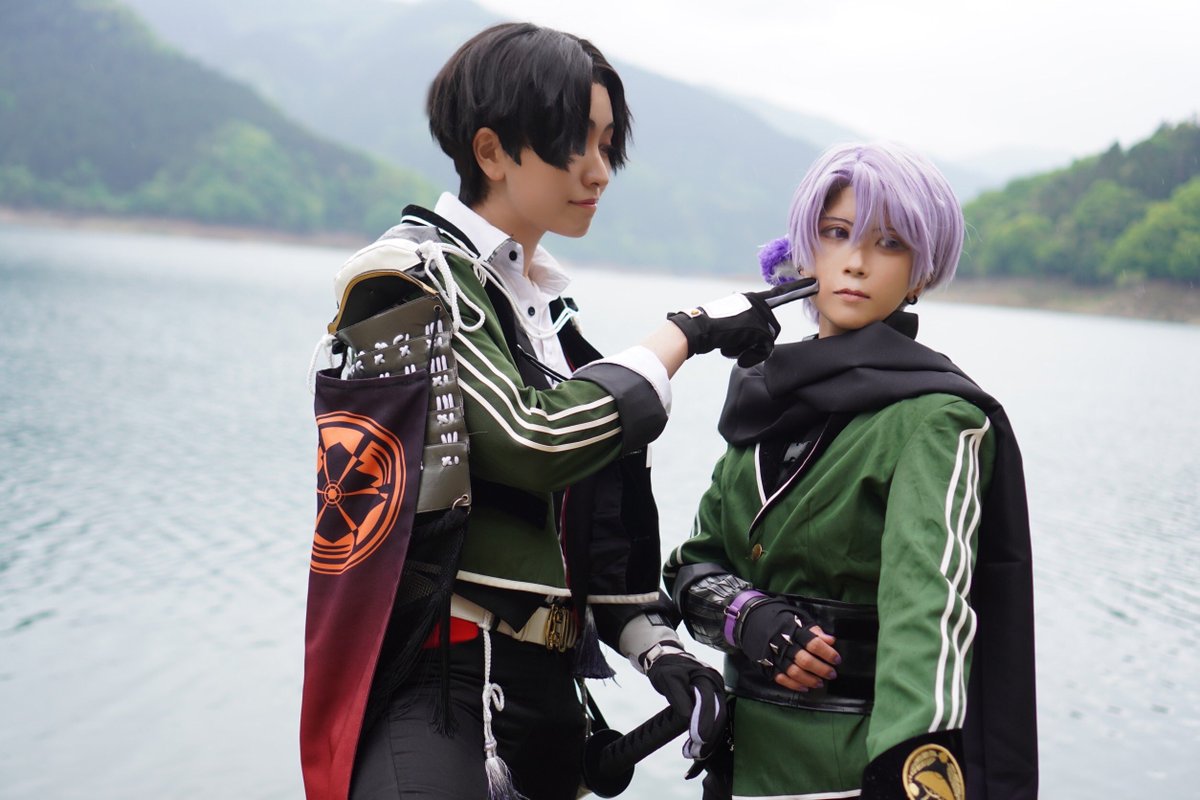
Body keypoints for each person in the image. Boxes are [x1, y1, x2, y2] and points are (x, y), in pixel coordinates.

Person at [299, 22, 795, 800]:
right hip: (441, 692)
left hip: (551, 703)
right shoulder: (405, 278)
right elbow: (534, 440)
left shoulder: (552, 319)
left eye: (607, 144)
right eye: (575, 143)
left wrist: (662, 652)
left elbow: (592, 544)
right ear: (491, 151)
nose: (598, 170)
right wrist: (686, 334)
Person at [663, 142, 1038, 799]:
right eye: (836, 233)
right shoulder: (763, 400)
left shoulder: (935, 417)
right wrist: (747, 615)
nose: (857, 261)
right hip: (736, 770)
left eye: (889, 244)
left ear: (920, 272)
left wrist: (904, 778)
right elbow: (691, 568)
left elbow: (929, 617)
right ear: (805, 251)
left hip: (848, 777)